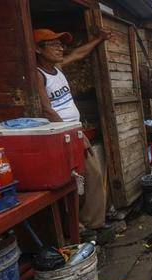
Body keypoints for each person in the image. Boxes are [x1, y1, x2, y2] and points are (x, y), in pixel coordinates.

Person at [34, 28, 111, 233]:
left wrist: (98, 39)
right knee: (71, 184)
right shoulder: (38, 74)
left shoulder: (57, 68)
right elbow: (46, 109)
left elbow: (77, 54)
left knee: (91, 177)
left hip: (75, 132)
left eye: (61, 44)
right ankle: (76, 228)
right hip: (61, 136)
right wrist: (70, 134)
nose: (60, 48)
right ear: (38, 49)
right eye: (54, 44)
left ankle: (92, 223)